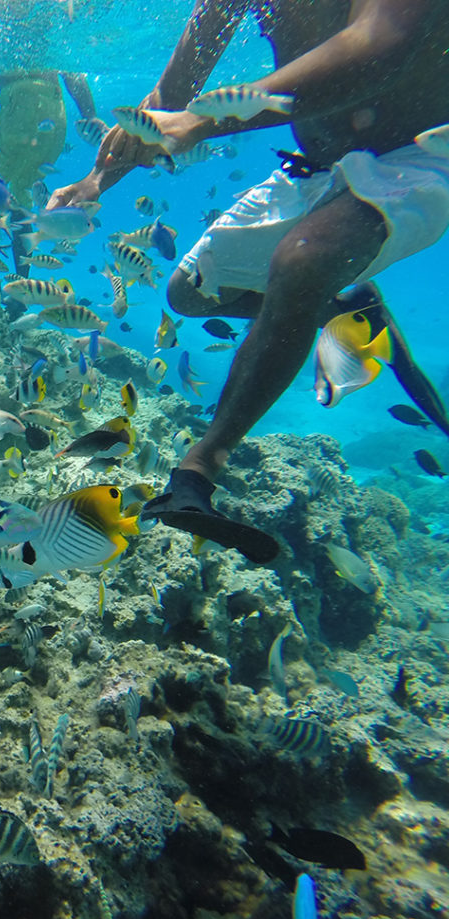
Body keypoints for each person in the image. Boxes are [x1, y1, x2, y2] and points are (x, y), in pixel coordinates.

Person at [49, 0, 449, 563]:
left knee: (300, 264)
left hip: (420, 155)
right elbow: (171, 96)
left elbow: (380, 47)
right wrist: (96, 180)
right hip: (313, 167)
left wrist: (202, 121)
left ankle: (198, 470)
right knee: (187, 292)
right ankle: (345, 304)